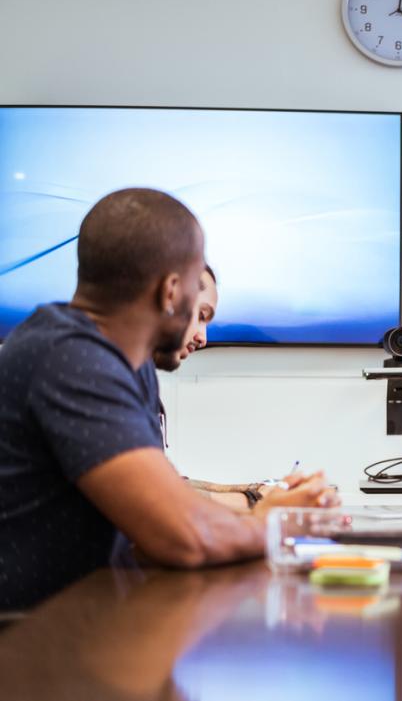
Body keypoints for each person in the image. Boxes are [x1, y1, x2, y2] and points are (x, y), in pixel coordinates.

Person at [0, 188, 336, 611]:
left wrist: (268, 509)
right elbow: (179, 536)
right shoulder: (70, 358)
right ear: (171, 291)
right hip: (29, 644)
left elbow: (163, 506)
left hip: (84, 619)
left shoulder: (123, 362)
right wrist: (275, 524)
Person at [153, 266, 333, 512]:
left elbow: (167, 484)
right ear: (168, 297)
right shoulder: (104, 378)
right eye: (201, 315)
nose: (203, 338)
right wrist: (257, 502)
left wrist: (255, 490)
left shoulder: (137, 379)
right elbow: (163, 499)